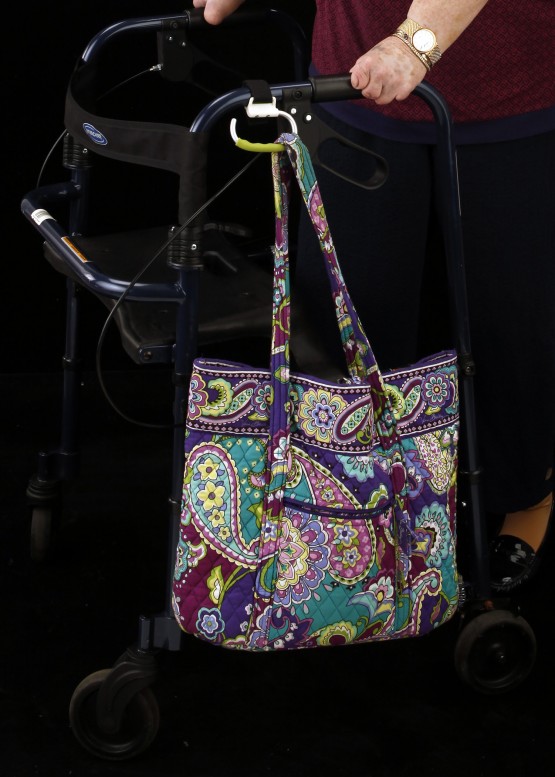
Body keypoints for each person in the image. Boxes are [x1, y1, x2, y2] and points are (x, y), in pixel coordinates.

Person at [191, 0, 555, 594]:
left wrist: (416, 42)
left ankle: (526, 494)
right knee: (345, 318)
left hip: (508, 85)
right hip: (353, 78)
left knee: (513, 315)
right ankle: (351, 504)